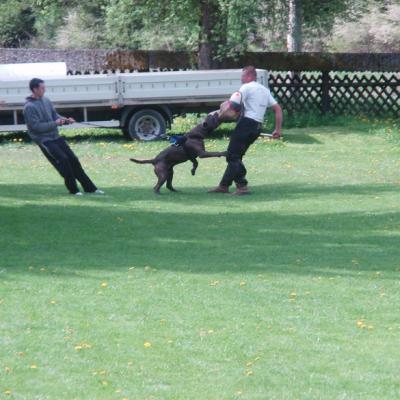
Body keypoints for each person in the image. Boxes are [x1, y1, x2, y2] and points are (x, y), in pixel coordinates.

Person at [208, 66, 282, 195]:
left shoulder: (246, 87)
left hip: (246, 124)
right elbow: (278, 109)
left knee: (232, 155)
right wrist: (277, 129)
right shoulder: (265, 90)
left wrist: (220, 115)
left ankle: (242, 186)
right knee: (236, 156)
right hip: (257, 126)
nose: (241, 78)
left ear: (249, 76)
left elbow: (233, 104)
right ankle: (224, 186)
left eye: (243, 76)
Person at [23, 78, 104, 196]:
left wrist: (65, 120)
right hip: (44, 140)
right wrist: (55, 123)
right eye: (42, 88)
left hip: (55, 136)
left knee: (73, 159)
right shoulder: (29, 107)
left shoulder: (46, 100)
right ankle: (74, 190)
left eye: (44, 88)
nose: (44, 90)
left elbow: (55, 115)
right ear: (34, 89)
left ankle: (90, 188)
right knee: (64, 160)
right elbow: (36, 127)